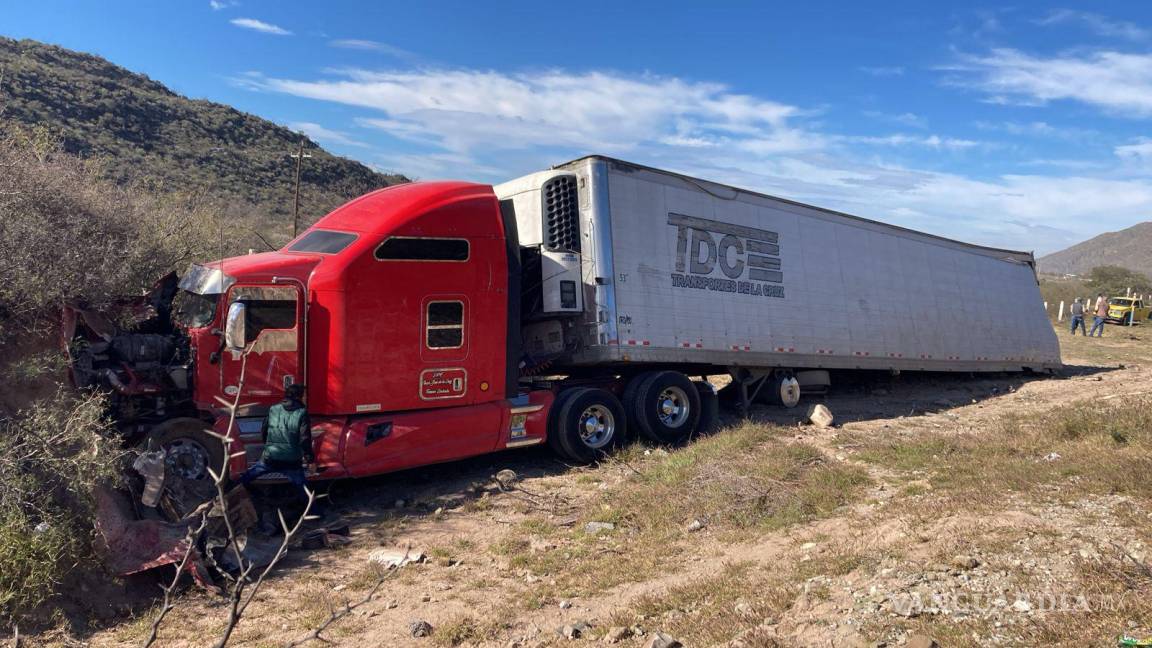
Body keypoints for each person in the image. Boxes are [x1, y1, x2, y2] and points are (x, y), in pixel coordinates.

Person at [235, 383, 322, 518]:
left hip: (270, 458)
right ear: (299, 396)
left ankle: (233, 497)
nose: (306, 398)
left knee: (247, 477)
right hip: (291, 461)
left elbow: (264, 430)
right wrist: (310, 460)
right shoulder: (302, 413)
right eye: (304, 395)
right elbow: (304, 439)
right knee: (302, 487)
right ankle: (315, 513)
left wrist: (269, 446)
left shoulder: (273, 409)